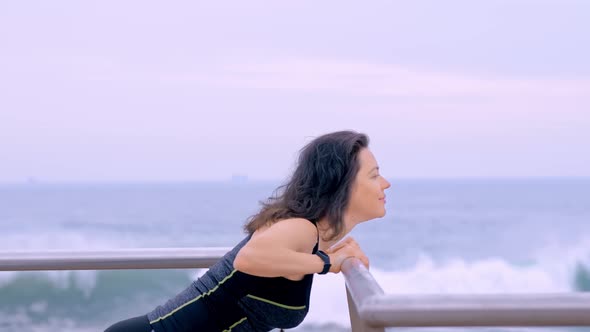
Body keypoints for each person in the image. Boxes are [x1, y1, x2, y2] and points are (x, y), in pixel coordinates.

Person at [104, 130, 391, 332]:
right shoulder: (299, 227)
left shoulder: (306, 235)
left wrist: (333, 254)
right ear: (341, 184)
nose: (386, 183)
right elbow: (249, 259)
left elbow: (277, 270)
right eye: (374, 175)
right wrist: (328, 263)